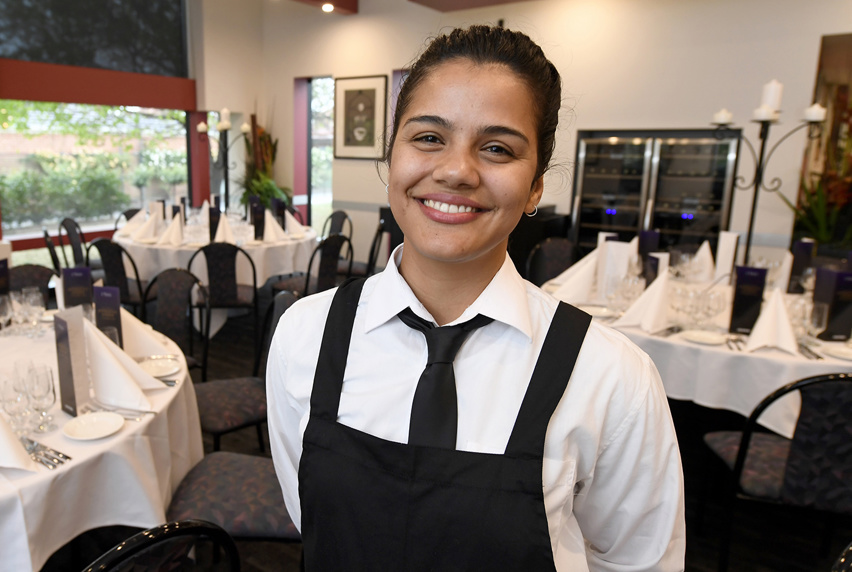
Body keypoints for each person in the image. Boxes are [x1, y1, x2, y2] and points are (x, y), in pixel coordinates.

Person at [267, 25, 685, 571]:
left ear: (536, 185)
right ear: (390, 157)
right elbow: (312, 516)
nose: (456, 171)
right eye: (428, 138)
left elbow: (638, 563)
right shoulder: (306, 334)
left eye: (496, 148)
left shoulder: (611, 373)